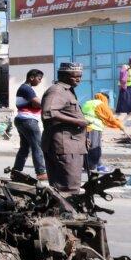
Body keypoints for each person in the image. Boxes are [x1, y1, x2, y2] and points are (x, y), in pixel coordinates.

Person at [41, 62, 88, 193]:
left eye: (80, 76)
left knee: (68, 186)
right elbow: (49, 112)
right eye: (75, 76)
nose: (79, 79)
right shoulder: (57, 90)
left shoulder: (68, 91)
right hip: (64, 145)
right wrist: (78, 122)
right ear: (63, 76)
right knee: (68, 187)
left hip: (72, 144)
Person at [12, 69, 47, 180]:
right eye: (39, 79)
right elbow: (38, 103)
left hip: (22, 120)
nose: (40, 81)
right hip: (28, 121)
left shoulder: (25, 88)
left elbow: (35, 104)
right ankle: (41, 172)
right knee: (37, 146)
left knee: (24, 148)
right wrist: (48, 105)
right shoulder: (26, 89)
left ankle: (16, 172)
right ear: (31, 77)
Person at [81, 91, 124, 174]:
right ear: (105, 99)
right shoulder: (101, 104)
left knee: (87, 146)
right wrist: (120, 126)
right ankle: (96, 166)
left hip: (84, 127)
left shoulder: (88, 102)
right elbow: (110, 118)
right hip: (93, 128)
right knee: (95, 148)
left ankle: (91, 166)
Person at [116, 55, 131, 124]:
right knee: (124, 108)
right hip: (127, 88)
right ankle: (120, 121)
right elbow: (122, 78)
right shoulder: (125, 67)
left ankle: (127, 121)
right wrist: (123, 85)